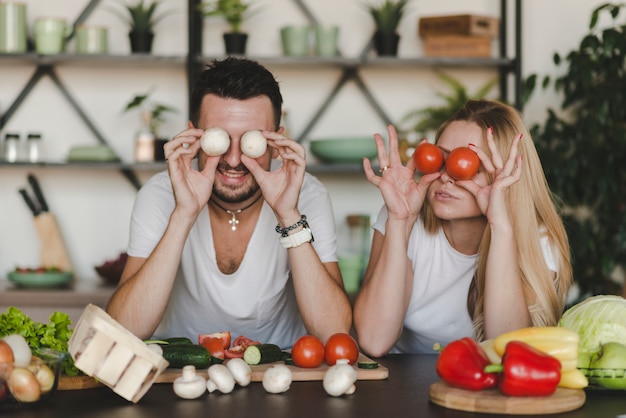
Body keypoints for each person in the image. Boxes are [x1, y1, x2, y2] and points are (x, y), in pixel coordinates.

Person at [106, 57, 351, 348]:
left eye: (251, 141)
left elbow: (334, 333)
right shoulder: (160, 194)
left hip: (278, 370)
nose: (234, 160)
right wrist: (184, 214)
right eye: (218, 139)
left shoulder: (306, 194)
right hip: (183, 373)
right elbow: (123, 330)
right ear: (193, 136)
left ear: (276, 143)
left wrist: (288, 215)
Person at [353, 99, 572, 356]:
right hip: (405, 384)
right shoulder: (404, 215)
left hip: (484, 385)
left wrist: (500, 226)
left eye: (465, 164)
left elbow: (508, 349)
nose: (446, 176)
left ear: (503, 176)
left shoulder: (538, 239)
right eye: (439, 159)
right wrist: (401, 221)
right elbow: (373, 340)